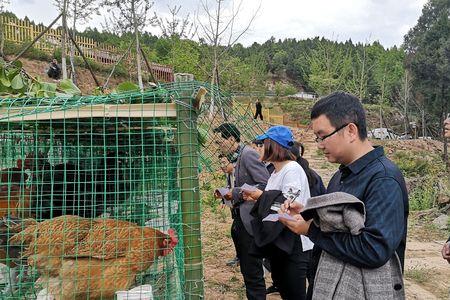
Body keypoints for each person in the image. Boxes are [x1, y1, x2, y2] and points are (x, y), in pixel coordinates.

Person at [279, 92, 409, 297]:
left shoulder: (384, 179)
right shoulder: (341, 175)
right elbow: (337, 221)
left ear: (350, 130)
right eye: (317, 138)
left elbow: (375, 250)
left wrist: (311, 230)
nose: (319, 145)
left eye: (323, 136)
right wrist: (307, 213)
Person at [243, 125, 313, 300]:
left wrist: (262, 198)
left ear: (274, 146)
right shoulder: (276, 172)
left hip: (293, 241)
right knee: (285, 290)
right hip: (281, 240)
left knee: (294, 294)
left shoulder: (292, 170)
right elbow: (275, 206)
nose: (258, 147)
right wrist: (261, 200)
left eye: (262, 143)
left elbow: (286, 207)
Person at [213, 123, 270, 300]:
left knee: (252, 272)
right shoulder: (234, 158)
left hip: (249, 220)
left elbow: (264, 184)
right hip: (238, 219)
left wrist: (235, 193)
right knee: (247, 269)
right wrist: (226, 193)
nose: (218, 145)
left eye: (219, 141)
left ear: (231, 139)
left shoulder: (248, 154)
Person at [218, 154, 240, 267]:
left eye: (224, 163)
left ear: (232, 162)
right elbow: (229, 188)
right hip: (235, 207)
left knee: (236, 231)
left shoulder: (239, 172)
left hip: (243, 208)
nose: (222, 166)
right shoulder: (229, 174)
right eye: (220, 163)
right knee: (235, 231)